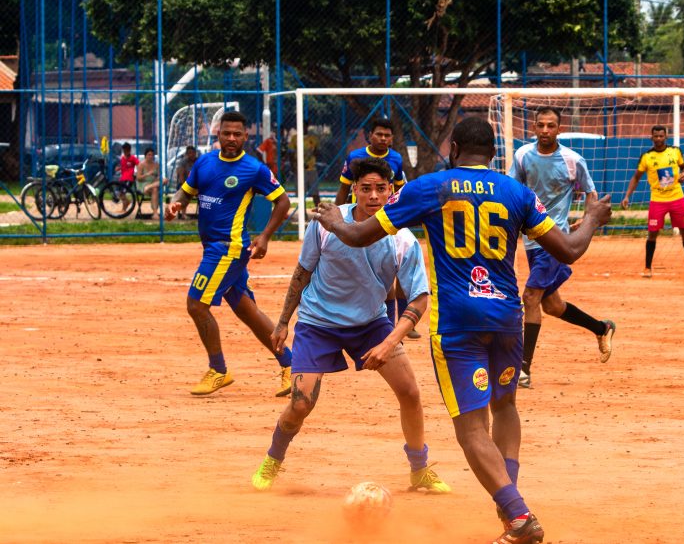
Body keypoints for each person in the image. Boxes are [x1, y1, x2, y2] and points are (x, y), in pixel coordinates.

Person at [315, 117, 612, 544]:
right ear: (493, 152)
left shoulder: (430, 187)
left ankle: (517, 516)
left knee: (471, 428)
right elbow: (570, 249)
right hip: (507, 319)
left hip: (459, 324)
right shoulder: (517, 192)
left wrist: (333, 221)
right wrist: (593, 218)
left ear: (453, 148)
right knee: (505, 406)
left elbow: (361, 235)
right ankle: (506, 498)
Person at [250, 157, 451, 495]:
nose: (373, 196)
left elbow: (419, 299)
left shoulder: (402, 239)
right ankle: (273, 458)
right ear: (354, 190)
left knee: (411, 392)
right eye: (366, 188)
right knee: (301, 403)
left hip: (370, 323)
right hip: (317, 323)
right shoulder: (327, 223)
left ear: (392, 191)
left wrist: (389, 342)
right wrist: (284, 321)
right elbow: (303, 272)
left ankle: (419, 469)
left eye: (381, 189)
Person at [164, 110, 294, 396]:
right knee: (247, 311)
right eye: (227, 133)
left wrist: (265, 236)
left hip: (228, 249)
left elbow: (283, 202)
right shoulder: (204, 162)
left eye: (238, 134)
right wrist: (176, 204)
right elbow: (185, 192)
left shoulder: (254, 169)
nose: (232, 138)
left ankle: (218, 370)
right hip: (213, 247)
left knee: (196, 305)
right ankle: (291, 364)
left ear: (246, 137)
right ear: (218, 134)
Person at [508, 107, 616, 389]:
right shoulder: (522, 156)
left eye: (551, 125)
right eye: (541, 125)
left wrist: (587, 218)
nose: (545, 130)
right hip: (531, 241)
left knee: (530, 297)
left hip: (555, 238)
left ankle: (523, 369)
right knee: (552, 305)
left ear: (560, 129)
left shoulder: (572, 160)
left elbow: (591, 194)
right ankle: (601, 328)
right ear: (533, 127)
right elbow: (512, 191)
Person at [334, 117, 418, 339]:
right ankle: (380, 322)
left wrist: (404, 216)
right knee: (375, 272)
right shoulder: (355, 157)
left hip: (387, 218)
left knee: (397, 268)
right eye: (379, 134)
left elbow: (401, 191)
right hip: (360, 220)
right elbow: (343, 189)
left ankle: (401, 322)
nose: (383, 138)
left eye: (387, 135)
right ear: (369, 135)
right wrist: (335, 219)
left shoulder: (396, 159)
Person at [621, 124, 684, 278]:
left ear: (666, 136)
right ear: (651, 137)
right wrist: (627, 196)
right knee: (652, 233)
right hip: (657, 200)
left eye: (661, 136)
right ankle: (647, 268)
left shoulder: (675, 152)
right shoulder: (646, 157)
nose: (658, 139)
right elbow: (636, 177)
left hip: (677, 198)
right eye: (655, 136)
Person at [287, 125, 321, 207]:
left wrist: (312, 152)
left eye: (305, 126)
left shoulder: (313, 139)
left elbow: (318, 152)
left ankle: (320, 213)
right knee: (301, 194)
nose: (303, 128)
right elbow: (291, 154)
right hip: (299, 169)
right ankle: (303, 214)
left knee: (315, 193)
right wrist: (294, 166)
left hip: (311, 168)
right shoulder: (295, 138)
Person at [135, 148, 165, 216]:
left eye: (152, 155)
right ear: (145, 156)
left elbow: (159, 176)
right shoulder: (141, 165)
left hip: (153, 183)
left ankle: (150, 186)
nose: (151, 156)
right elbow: (138, 178)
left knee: (165, 180)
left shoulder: (156, 165)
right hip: (143, 184)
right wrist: (147, 174)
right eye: (149, 155)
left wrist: (157, 178)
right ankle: (155, 213)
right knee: (155, 190)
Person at [118, 142, 140, 214]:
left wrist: (136, 173)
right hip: (122, 178)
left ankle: (125, 207)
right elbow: (122, 167)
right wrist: (119, 168)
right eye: (124, 151)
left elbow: (139, 164)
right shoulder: (122, 158)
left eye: (126, 150)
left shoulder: (132, 158)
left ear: (129, 150)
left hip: (129, 178)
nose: (125, 152)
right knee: (120, 193)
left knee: (123, 192)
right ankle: (126, 204)